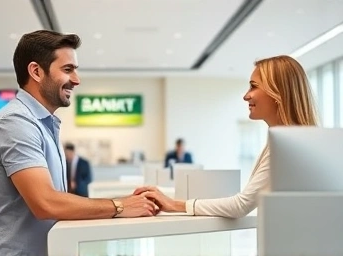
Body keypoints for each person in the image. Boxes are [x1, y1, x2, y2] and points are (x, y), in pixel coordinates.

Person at [0, 30, 156, 256]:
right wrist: (120, 206)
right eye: (68, 69)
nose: (76, 80)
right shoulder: (14, 122)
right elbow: (46, 203)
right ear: (36, 71)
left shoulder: (43, 124)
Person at [134, 55, 318, 218]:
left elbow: (240, 206)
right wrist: (166, 194)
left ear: (277, 93)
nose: (246, 96)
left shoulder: (288, 146)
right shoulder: (286, 141)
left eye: (254, 86)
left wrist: (174, 205)